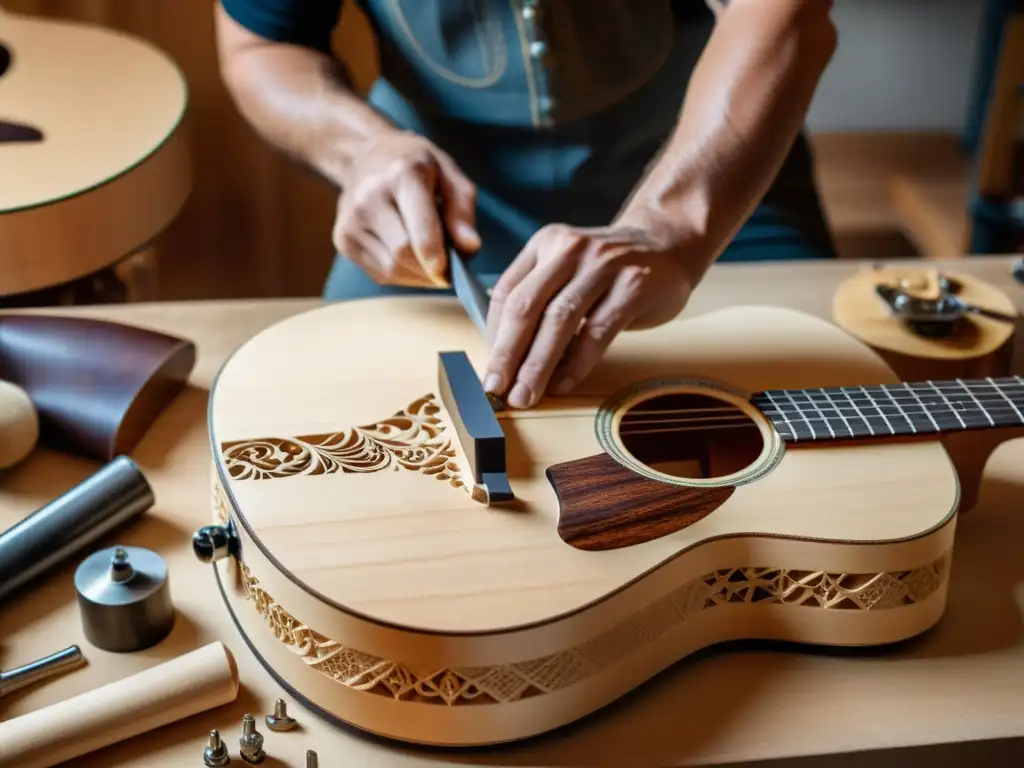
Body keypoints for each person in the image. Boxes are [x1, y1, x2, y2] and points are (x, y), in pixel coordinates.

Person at [214, 0, 838, 409]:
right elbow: (262, 46)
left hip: (712, 173)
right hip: (440, 206)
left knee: (822, 423)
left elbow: (785, 14)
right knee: (341, 420)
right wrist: (361, 150)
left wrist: (672, 225)